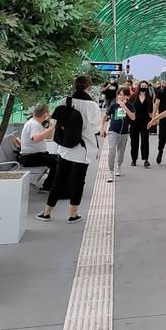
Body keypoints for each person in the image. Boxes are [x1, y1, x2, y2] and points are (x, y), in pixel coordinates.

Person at [37, 75, 100, 223]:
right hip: (83, 149)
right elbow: (95, 128)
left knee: (59, 179)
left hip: (65, 147)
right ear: (89, 88)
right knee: (78, 181)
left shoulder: (64, 101)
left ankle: (46, 212)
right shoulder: (92, 106)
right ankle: (73, 215)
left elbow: (56, 121)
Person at [19, 103, 58, 192]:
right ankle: (48, 186)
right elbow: (36, 138)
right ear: (44, 113)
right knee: (56, 162)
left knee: (57, 159)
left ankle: (50, 185)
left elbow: (48, 137)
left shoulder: (38, 123)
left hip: (36, 156)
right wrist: (51, 128)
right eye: (48, 112)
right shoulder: (34, 124)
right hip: (30, 157)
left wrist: (49, 123)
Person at [100, 87, 135, 182]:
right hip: (113, 131)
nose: (121, 96)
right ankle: (110, 171)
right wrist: (102, 128)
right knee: (111, 150)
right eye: (119, 94)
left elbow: (133, 117)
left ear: (127, 96)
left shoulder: (130, 106)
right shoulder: (113, 105)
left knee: (121, 152)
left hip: (124, 133)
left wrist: (125, 107)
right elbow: (105, 116)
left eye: (123, 95)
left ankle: (119, 165)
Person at [129, 80, 154, 167]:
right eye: (142, 86)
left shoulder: (149, 97)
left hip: (145, 121)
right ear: (139, 87)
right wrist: (129, 122)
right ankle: (134, 159)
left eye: (145, 86)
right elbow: (129, 109)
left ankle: (146, 159)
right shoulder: (133, 97)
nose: (144, 87)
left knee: (145, 140)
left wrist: (152, 120)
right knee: (134, 141)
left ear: (147, 88)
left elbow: (151, 110)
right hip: (134, 121)